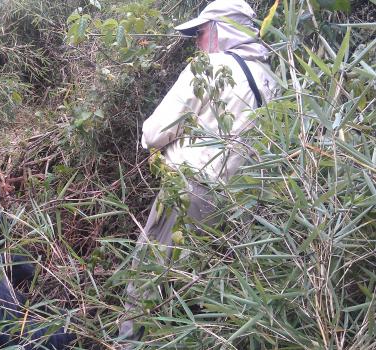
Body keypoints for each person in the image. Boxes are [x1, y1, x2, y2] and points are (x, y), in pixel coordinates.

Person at [119, 0, 278, 345]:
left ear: (221, 30)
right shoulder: (271, 79)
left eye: (201, 32)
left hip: (188, 190)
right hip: (239, 202)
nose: (196, 41)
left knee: (149, 275)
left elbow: (154, 131)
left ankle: (129, 343)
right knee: (195, 283)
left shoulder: (209, 66)